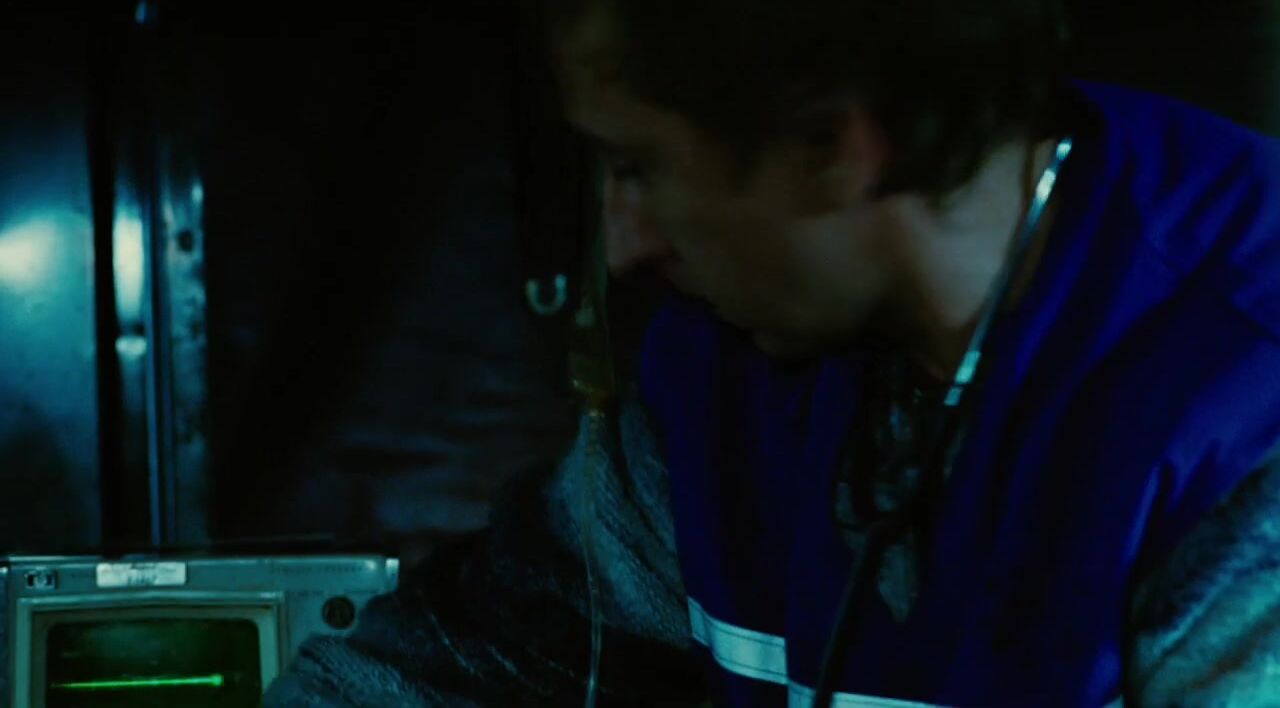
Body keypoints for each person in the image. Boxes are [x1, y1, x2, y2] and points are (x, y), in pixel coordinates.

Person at [265, 0, 1280, 705]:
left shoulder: (1240, 406)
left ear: (833, 144)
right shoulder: (724, 369)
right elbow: (457, 662)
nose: (620, 245)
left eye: (638, 168)